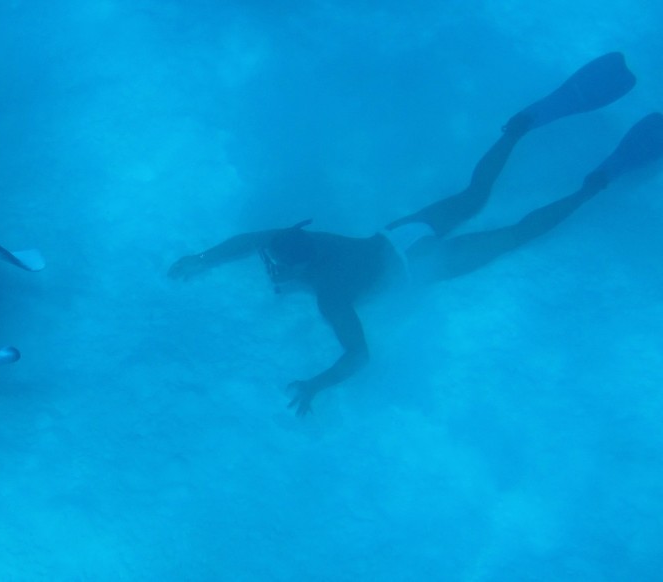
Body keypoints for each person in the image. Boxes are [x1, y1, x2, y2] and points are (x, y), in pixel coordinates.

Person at [168, 53, 663, 416]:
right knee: (475, 196)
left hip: (423, 265)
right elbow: (254, 239)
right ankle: (520, 126)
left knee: (514, 235)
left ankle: (593, 186)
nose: (268, 264)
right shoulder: (307, 241)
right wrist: (203, 255)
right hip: (399, 239)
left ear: (296, 265)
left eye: (274, 265)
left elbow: (359, 354)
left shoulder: (330, 298)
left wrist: (318, 383)